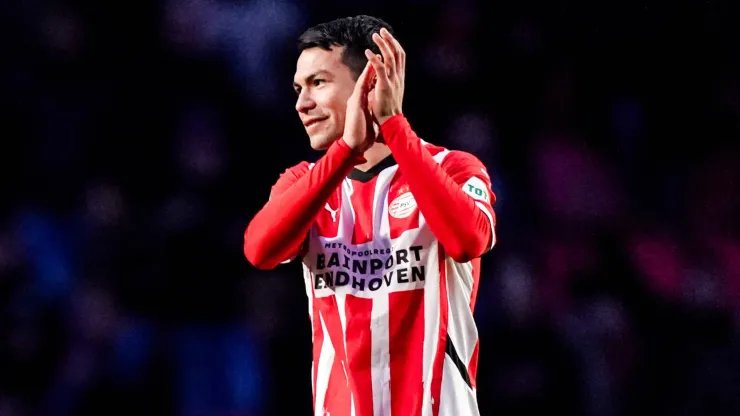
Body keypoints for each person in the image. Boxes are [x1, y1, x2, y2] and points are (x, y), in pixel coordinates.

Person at [244, 15, 497, 416]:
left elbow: (469, 240)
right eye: (297, 88)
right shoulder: (304, 182)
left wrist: (393, 124)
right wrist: (345, 152)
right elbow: (260, 250)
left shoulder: (454, 168)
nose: (301, 103)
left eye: (318, 83)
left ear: (372, 81)